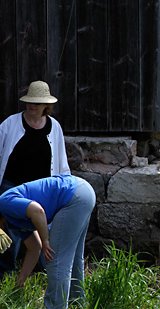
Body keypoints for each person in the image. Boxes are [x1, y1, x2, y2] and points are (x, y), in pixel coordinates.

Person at [0, 80, 70, 275]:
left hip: (42, 189)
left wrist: (64, 187)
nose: (32, 105)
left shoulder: (54, 127)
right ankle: (6, 270)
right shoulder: (10, 124)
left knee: (45, 229)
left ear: (46, 106)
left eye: (37, 103)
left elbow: (61, 160)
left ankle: (47, 271)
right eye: (30, 101)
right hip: (12, 186)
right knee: (11, 230)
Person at [0, 174, 95, 309]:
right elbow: (34, 249)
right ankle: (77, 304)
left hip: (73, 196)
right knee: (73, 259)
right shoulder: (13, 219)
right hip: (82, 192)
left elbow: (37, 210)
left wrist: (46, 240)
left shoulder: (4, 203)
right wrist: (21, 280)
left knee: (55, 258)